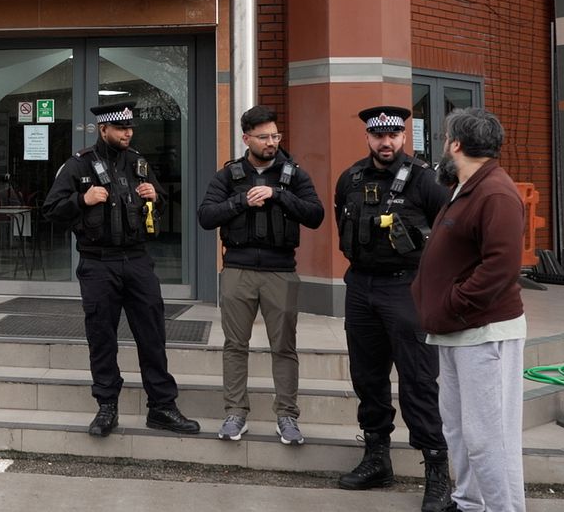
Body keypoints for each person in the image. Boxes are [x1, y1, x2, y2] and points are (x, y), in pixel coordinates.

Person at [42, 101, 199, 437]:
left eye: (130, 128)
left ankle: (162, 407)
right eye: (121, 129)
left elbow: (161, 201)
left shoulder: (138, 163)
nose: (128, 133)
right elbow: (51, 209)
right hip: (98, 263)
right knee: (102, 337)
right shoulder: (78, 165)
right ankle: (106, 407)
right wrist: (82, 200)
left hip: (138, 261)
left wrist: (154, 194)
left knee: (152, 335)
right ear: (104, 130)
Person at [334, 105, 452, 512]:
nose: (386, 143)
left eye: (394, 136)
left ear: (405, 137)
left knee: (419, 381)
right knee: (367, 377)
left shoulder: (426, 180)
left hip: (407, 289)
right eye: (378, 136)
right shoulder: (350, 178)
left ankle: (437, 473)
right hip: (361, 288)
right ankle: (376, 458)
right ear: (368, 137)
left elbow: (451, 233)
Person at [412, 108, 526, 512]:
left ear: (455, 144)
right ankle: (469, 502)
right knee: (460, 431)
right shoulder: (465, 187)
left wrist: (451, 303)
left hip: (482, 333)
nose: (444, 145)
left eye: (446, 138)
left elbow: (501, 266)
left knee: (488, 436)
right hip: (457, 331)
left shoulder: (495, 193)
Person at [197, 104, 323, 444]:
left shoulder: (294, 175)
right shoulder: (228, 176)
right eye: (264, 136)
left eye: (275, 135)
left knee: (283, 346)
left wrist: (279, 195)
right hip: (237, 270)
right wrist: (241, 203)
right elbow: (206, 216)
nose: (271, 142)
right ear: (246, 138)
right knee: (235, 345)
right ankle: (235, 413)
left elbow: (315, 215)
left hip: (280, 271)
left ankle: (287, 416)